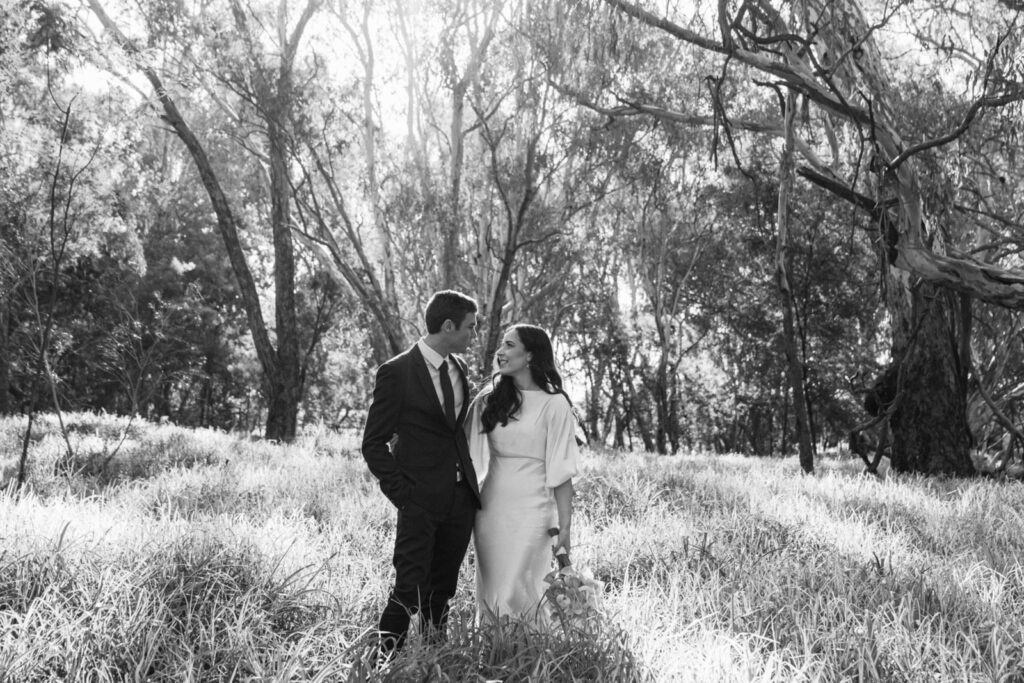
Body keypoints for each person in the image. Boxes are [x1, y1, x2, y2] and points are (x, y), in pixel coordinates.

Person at [361, 290, 481, 659]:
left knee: (442, 590)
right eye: (470, 328)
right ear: (448, 326)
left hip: (460, 501)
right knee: (409, 588)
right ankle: (383, 661)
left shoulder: (459, 369)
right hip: (418, 502)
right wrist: (404, 495)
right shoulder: (396, 372)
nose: (473, 336)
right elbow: (373, 443)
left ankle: (433, 659)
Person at [467, 323, 580, 625]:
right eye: (501, 345)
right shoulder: (488, 401)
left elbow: (562, 471)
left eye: (509, 345)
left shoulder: (555, 404)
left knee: (522, 587)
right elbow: (465, 457)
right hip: (491, 509)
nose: (500, 353)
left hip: (535, 511)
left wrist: (565, 527)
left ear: (530, 354)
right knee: (493, 589)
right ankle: (491, 654)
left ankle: (531, 658)